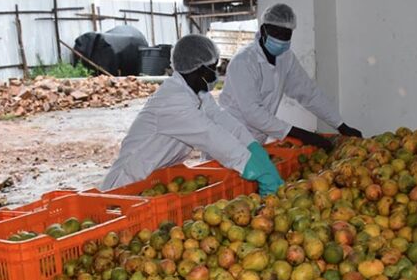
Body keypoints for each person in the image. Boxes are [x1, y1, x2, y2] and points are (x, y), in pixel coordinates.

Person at [101, 34, 284, 196]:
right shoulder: (173, 101)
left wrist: (253, 148)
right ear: (200, 69)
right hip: (128, 186)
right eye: (213, 68)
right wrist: (254, 168)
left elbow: (224, 122)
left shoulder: (198, 95)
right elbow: (211, 136)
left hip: (159, 183)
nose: (215, 75)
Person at [220, 3, 363, 151]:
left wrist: (341, 125)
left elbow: (309, 93)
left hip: (255, 142)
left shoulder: (286, 58)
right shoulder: (244, 61)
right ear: (264, 30)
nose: (281, 39)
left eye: (286, 34)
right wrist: (301, 134)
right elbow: (253, 112)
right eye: (277, 33)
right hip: (230, 139)